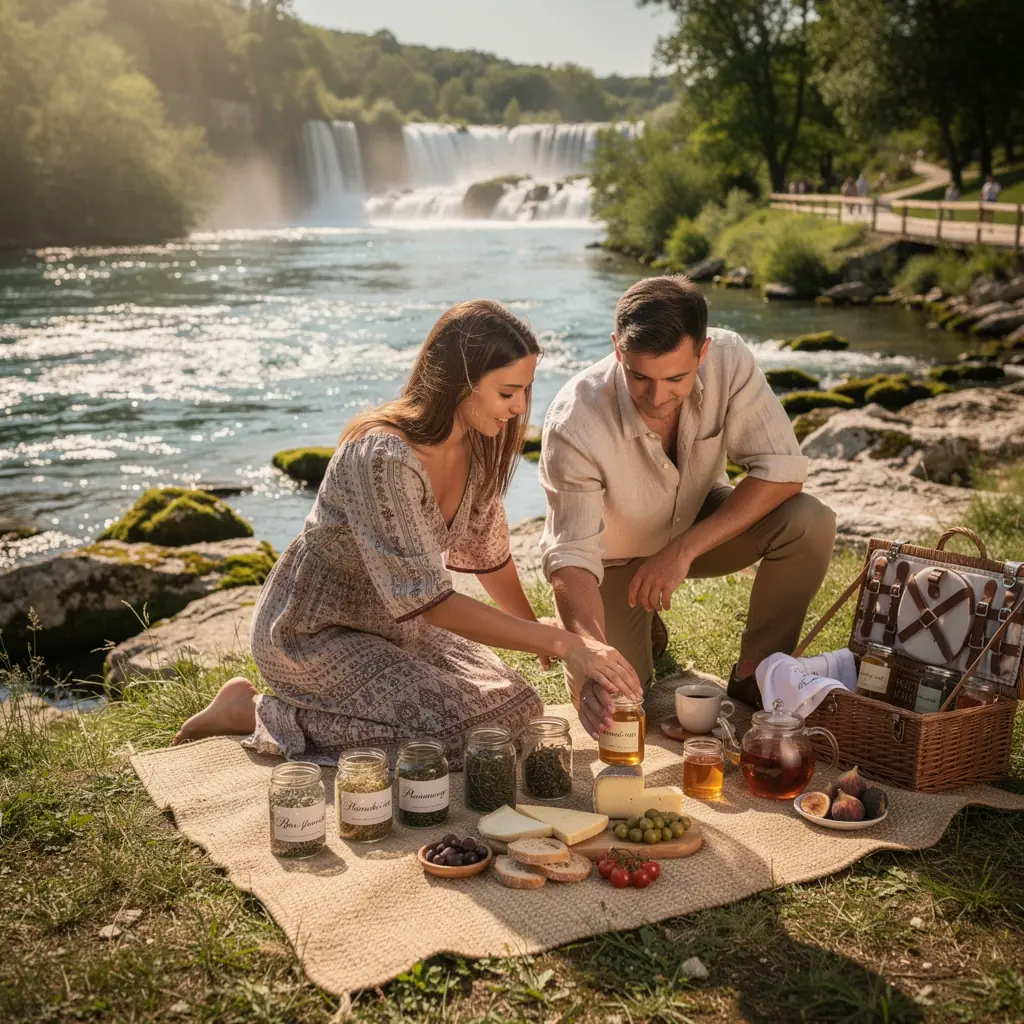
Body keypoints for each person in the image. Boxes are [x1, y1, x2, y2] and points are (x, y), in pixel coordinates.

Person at [174, 300, 641, 757]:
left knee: (519, 708)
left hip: (400, 628)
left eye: (525, 390)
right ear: (460, 383)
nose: (520, 407)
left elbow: (487, 553)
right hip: (314, 634)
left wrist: (532, 630)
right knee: (463, 732)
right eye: (507, 393)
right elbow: (429, 600)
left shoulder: (478, 444)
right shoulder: (382, 457)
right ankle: (253, 711)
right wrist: (563, 642)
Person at [538, 276, 836, 734]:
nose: (657, 398)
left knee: (808, 520)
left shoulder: (729, 357)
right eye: (640, 377)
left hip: (695, 525)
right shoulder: (574, 421)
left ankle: (756, 677)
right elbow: (571, 557)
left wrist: (682, 550)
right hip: (609, 562)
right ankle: (627, 624)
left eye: (676, 378)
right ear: (617, 349)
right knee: (619, 709)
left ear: (703, 352)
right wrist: (590, 650)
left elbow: (783, 471)